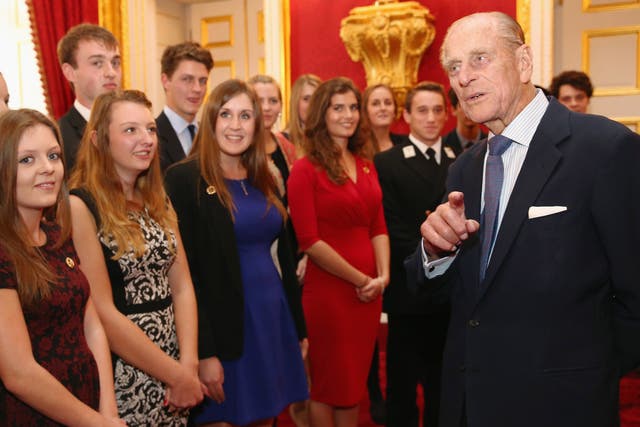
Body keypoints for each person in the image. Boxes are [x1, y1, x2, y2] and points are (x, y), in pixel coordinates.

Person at [408, 11, 640, 427]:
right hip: (468, 403)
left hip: (562, 405)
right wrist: (432, 251)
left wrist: (586, 374)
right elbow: (438, 291)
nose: (463, 78)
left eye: (479, 59)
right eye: (454, 67)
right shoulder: (464, 168)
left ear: (525, 62)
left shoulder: (605, 149)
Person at [164, 79, 308, 426]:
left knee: (267, 416)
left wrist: (298, 327)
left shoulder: (264, 175)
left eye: (246, 115)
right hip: (225, 328)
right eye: (226, 114)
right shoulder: (185, 178)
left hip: (271, 317)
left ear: (257, 123)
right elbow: (187, 274)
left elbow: (284, 257)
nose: (235, 125)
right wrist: (205, 351)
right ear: (211, 119)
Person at [69, 90, 204, 426]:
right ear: (100, 139)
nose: (146, 140)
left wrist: (188, 364)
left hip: (175, 365)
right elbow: (101, 311)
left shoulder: (158, 200)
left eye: (150, 129)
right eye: (130, 130)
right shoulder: (80, 205)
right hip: (124, 370)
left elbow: (183, 286)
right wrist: (174, 374)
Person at [0, 109, 124, 426]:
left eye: (53, 156)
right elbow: (18, 374)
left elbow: (91, 323)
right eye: (27, 160)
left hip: (88, 402)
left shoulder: (55, 235)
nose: (48, 169)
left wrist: (108, 411)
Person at [287, 77, 390, 427]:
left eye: (353, 107)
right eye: (338, 108)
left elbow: (378, 226)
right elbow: (309, 241)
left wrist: (383, 276)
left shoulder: (365, 163)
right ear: (322, 114)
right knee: (328, 388)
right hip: (330, 294)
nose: (348, 115)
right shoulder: (305, 168)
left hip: (368, 294)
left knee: (353, 386)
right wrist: (362, 278)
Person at [374, 81, 455, 427]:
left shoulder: (462, 161)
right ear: (405, 116)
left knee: (443, 384)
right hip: (408, 289)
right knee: (402, 385)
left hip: (450, 293)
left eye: (438, 110)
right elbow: (391, 226)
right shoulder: (387, 162)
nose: (431, 118)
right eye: (422, 110)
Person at [57, 23, 122, 171]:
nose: (111, 72)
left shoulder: (136, 129)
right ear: (70, 72)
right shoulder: (59, 138)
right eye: (97, 63)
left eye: (115, 63)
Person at [157, 41, 214, 172]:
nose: (197, 89)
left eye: (203, 81)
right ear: (165, 81)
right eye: (187, 79)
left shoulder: (212, 136)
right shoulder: (151, 137)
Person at [361, 83, 403, 156]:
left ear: (395, 110)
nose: (383, 108)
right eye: (375, 104)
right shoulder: (357, 147)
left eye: (388, 103)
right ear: (365, 111)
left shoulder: (405, 144)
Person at [285, 73, 322, 155]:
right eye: (306, 99)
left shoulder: (330, 141)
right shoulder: (282, 142)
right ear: (296, 102)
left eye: (316, 98)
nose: (312, 104)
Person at [443, 88, 486, 154]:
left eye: (474, 104)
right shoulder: (442, 146)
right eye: (463, 105)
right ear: (453, 110)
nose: (468, 111)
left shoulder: (491, 144)